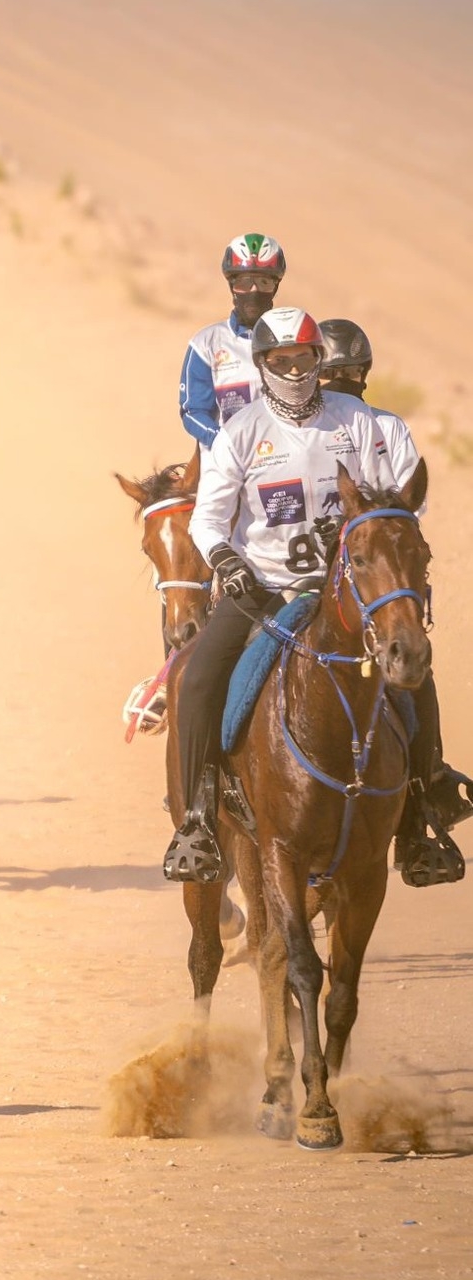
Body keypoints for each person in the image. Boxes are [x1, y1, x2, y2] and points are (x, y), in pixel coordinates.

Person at [162, 306, 412, 884]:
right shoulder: (241, 431)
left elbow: (394, 496)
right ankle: (198, 818)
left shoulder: (355, 420)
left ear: (318, 360)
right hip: (265, 589)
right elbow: (208, 520)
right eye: (281, 360)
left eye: (303, 358)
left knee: (409, 669)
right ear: (263, 364)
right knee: (198, 678)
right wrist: (225, 558)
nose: (294, 370)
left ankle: (425, 805)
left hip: (347, 592)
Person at [318, 318, 470, 884]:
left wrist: (379, 530)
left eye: (353, 372)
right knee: (236, 665)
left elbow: (409, 505)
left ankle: (421, 813)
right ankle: (206, 798)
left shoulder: (388, 427)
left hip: (375, 575)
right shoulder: (295, 428)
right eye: (334, 372)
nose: (344, 382)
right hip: (301, 577)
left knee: (413, 682)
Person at [178, 233, 287, 449]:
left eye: (264, 281)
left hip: (287, 460)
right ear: (231, 285)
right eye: (245, 282)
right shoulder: (206, 343)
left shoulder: (294, 338)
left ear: (276, 285)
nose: (254, 290)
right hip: (227, 463)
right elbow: (193, 411)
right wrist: (223, 443)